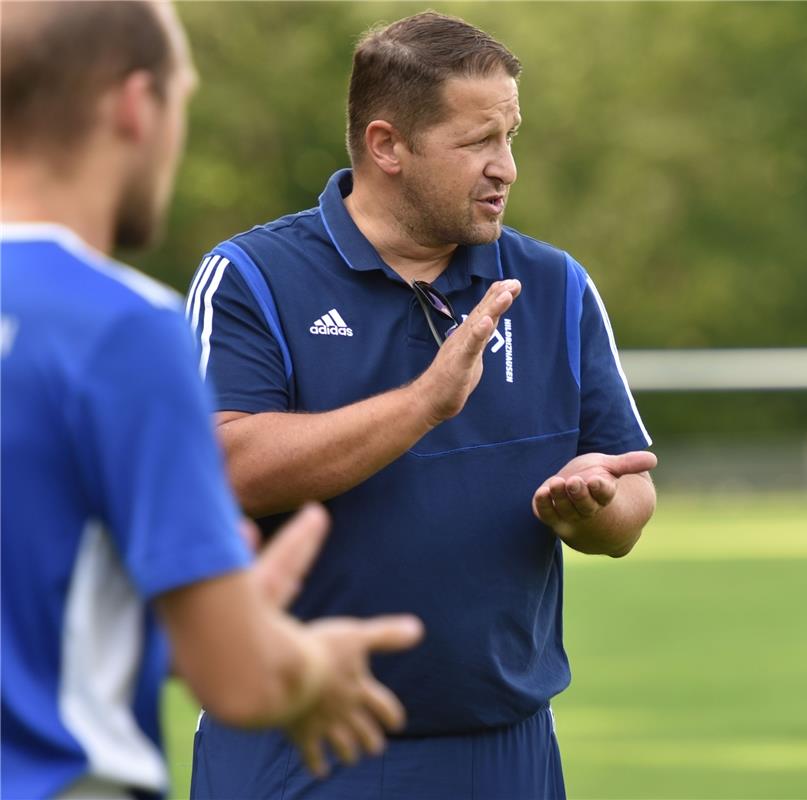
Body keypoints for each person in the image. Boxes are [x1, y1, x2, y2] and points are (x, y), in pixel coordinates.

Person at [187, 10, 657, 800]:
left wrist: (594, 511)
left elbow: (632, 489)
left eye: (510, 137)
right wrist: (423, 404)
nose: (505, 168)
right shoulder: (251, 278)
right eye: (478, 142)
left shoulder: (554, 285)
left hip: (506, 750)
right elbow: (221, 468)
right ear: (386, 146)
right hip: (299, 740)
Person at [0, 3, 424, 798]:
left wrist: (182, 624)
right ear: (135, 105)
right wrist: (300, 663)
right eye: (181, 99)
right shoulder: (119, 327)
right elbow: (239, 682)